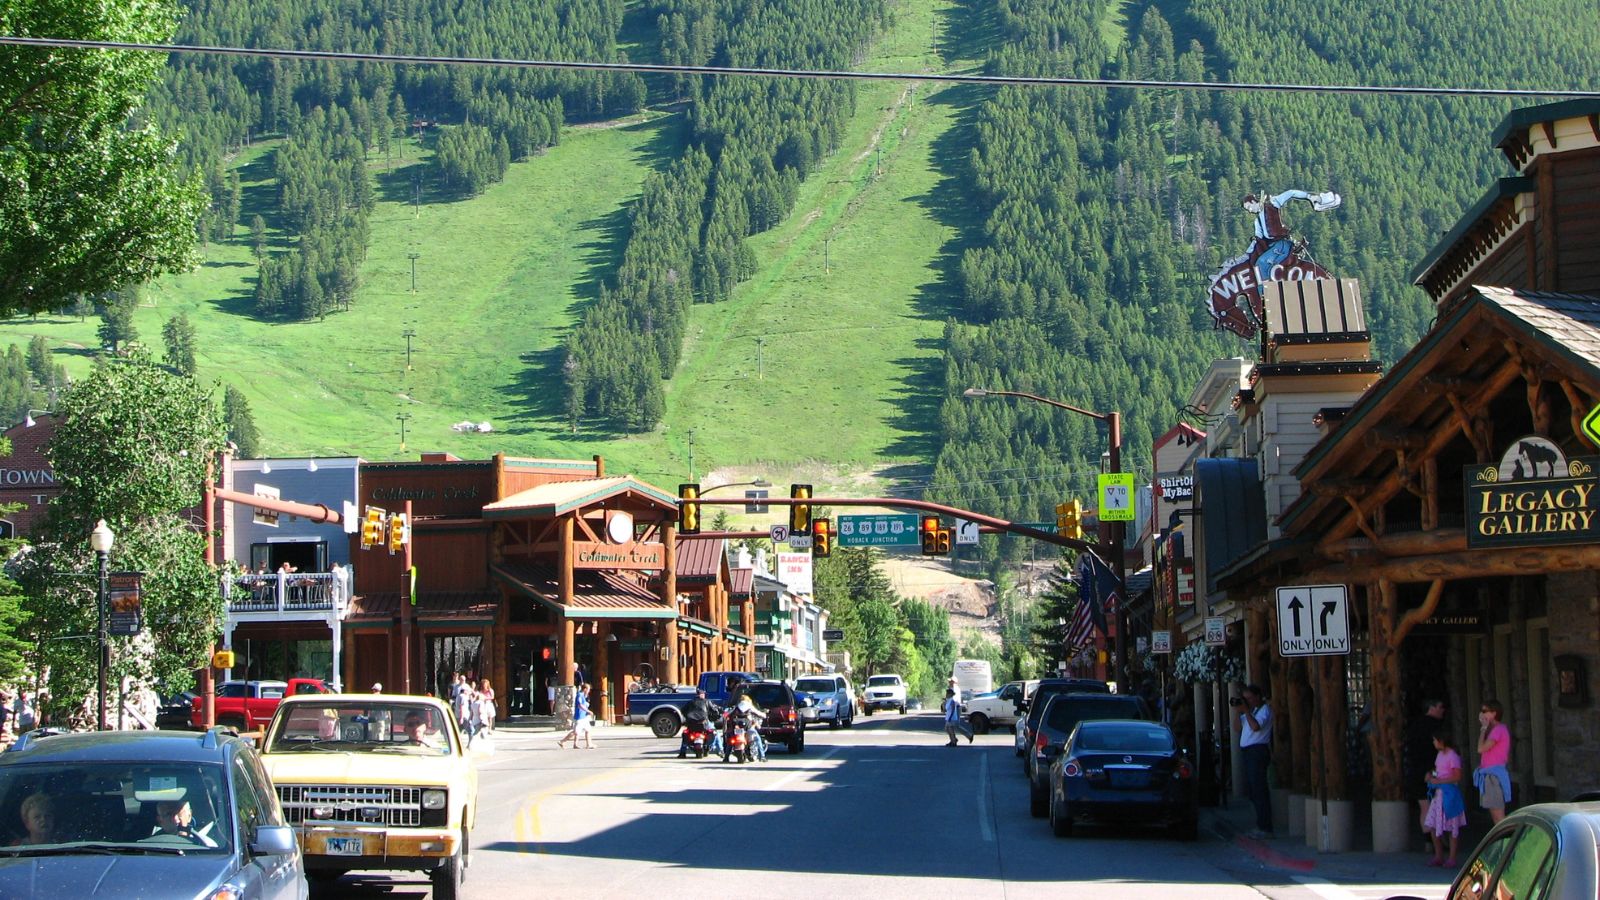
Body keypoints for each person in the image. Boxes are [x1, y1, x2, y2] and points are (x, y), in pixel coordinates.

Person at [1234, 683, 1274, 839]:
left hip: (1258, 751)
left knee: (1259, 789)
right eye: (1245, 699)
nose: (1248, 701)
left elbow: (1256, 727)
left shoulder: (1264, 710)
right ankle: (1260, 824)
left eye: (1250, 698)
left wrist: (1246, 712)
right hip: (1248, 752)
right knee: (1253, 790)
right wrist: (1239, 712)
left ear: (1258, 697)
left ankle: (1265, 827)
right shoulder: (1251, 712)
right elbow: (1237, 728)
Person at [1423, 729, 1467, 867]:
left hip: (1449, 794)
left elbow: (1457, 776)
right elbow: (1438, 771)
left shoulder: (1453, 756)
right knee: (1432, 825)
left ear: (1442, 741)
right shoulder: (1439, 755)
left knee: (1452, 827)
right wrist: (1431, 775)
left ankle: (1452, 857)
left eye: (1435, 740)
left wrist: (1440, 781)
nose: (1434, 742)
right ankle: (1439, 855)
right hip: (1438, 795)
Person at [1405, 698, 1448, 835]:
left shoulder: (1414, 726)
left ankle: (1428, 841)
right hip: (1433, 770)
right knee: (1436, 805)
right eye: (1440, 707)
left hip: (1416, 770)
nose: (1443, 710)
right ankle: (1437, 841)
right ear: (1432, 707)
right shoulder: (1436, 727)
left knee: (1424, 806)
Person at [1474, 700, 1512, 824]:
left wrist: (1483, 729)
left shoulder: (1498, 729)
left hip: (1494, 777)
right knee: (1495, 817)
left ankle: (1508, 841)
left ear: (1494, 713)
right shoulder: (1494, 730)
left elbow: (1481, 748)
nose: (1482, 714)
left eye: (1485, 711)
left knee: (1499, 817)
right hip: (1489, 775)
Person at [151, 800, 218, 847]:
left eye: (179, 814)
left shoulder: (206, 846)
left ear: (189, 816)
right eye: (169, 814)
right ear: (160, 820)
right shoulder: (148, 846)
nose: (176, 820)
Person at [678, 689, 719, 759]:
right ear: (702, 695)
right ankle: (720, 750)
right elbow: (715, 710)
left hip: (691, 723)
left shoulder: (691, 702)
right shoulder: (707, 701)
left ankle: (682, 752)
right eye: (703, 694)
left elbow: (683, 710)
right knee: (715, 733)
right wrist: (715, 716)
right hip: (703, 723)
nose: (704, 695)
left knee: (685, 735)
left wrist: (687, 717)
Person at [557, 682, 594, 749]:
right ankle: (562, 741)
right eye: (588, 689)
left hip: (584, 717)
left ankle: (588, 744)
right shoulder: (580, 695)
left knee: (588, 730)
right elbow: (580, 705)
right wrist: (588, 711)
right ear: (585, 689)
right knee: (575, 732)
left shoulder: (583, 696)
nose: (589, 691)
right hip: (580, 717)